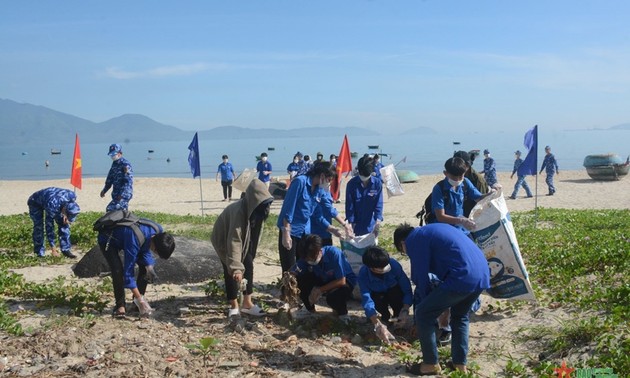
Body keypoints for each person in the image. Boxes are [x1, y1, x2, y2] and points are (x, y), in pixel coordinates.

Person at [393, 223, 490, 375]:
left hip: (461, 276)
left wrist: (428, 307)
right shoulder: (431, 230)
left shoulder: (414, 240)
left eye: (404, 252)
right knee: (460, 317)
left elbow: (421, 279)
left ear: (402, 243)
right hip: (482, 274)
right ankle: (460, 365)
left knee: (423, 313)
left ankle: (430, 363)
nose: (408, 253)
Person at [211, 179, 274, 317]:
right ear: (254, 200)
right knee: (231, 271)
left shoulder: (259, 211)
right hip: (223, 238)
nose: (266, 208)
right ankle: (234, 305)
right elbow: (234, 241)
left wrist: (250, 255)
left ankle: (247, 303)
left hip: (243, 240)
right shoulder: (239, 212)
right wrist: (236, 268)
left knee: (248, 265)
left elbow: (254, 236)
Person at [98, 217, 175, 318]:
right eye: (156, 252)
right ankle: (120, 306)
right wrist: (140, 299)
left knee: (146, 268)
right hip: (108, 240)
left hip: (132, 239)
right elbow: (128, 272)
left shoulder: (158, 231)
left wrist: (150, 266)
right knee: (118, 271)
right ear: (155, 247)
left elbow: (145, 248)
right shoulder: (134, 239)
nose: (154, 254)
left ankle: (136, 305)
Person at [277, 161, 343, 273]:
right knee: (289, 269)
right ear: (322, 176)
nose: (329, 183)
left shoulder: (319, 189)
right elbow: (288, 208)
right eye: (329, 180)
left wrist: (332, 228)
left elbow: (318, 214)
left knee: (303, 268)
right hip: (291, 231)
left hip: (305, 233)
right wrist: (286, 233)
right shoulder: (300, 182)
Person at [290, 234, 356, 322]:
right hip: (323, 278)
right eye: (307, 259)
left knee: (334, 297)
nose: (309, 261)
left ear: (319, 251)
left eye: (312, 259)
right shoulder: (306, 256)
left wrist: (320, 290)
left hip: (343, 282)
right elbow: (294, 270)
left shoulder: (334, 253)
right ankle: (309, 310)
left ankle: (342, 314)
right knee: (301, 280)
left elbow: (341, 280)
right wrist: (290, 277)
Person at [358, 246, 413, 344]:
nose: (385, 268)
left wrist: (405, 309)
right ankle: (385, 317)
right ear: (371, 268)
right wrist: (376, 323)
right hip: (378, 296)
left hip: (394, 293)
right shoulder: (363, 275)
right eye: (381, 267)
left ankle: (398, 317)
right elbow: (367, 299)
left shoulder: (394, 266)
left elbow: (407, 289)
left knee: (396, 293)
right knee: (377, 299)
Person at [27, 187, 81, 258]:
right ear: (64, 210)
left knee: (64, 224)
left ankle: (66, 250)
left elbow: (67, 217)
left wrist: (66, 218)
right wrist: (53, 249)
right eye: (68, 216)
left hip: (52, 199)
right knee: (39, 227)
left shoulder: (72, 196)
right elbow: (49, 227)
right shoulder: (52, 206)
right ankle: (39, 253)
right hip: (35, 201)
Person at [345, 154, 384, 237]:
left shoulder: (377, 184)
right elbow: (349, 206)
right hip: (356, 226)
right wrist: (350, 224)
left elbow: (379, 204)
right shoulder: (351, 184)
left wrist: (378, 222)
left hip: (371, 226)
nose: (363, 177)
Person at [453, 151, 489, 217]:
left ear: (467, 166)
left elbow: (481, 203)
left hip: (472, 215)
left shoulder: (478, 180)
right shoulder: (454, 175)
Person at [101, 143, 133, 211]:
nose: (113, 156)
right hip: (116, 194)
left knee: (111, 209)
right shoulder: (114, 164)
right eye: (111, 155)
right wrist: (104, 190)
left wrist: (122, 195)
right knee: (119, 213)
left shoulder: (125, 164)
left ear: (120, 153)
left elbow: (128, 182)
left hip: (124, 194)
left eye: (114, 154)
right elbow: (110, 179)